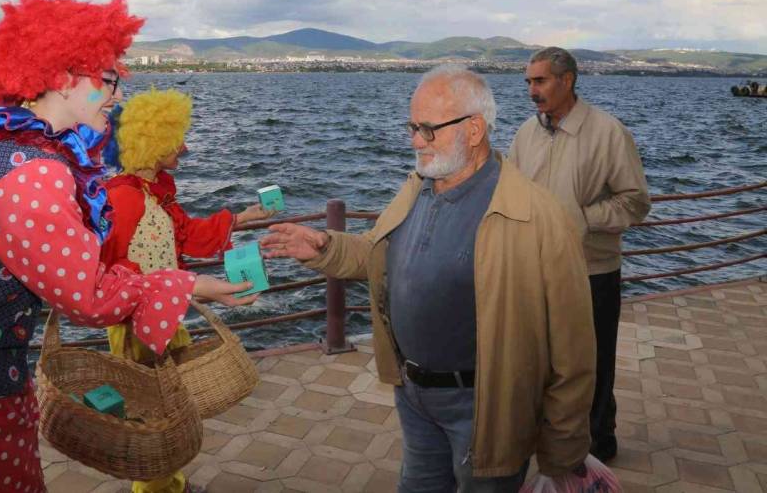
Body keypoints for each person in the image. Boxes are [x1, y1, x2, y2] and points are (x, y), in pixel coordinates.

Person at [0, 0, 256, 493]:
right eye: (109, 79)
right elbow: (90, 299)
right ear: (61, 77)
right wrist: (192, 286)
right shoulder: (35, 172)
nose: (117, 94)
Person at [261, 66, 596, 493]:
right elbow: (379, 255)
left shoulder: (537, 216)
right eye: (413, 127)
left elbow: (573, 347)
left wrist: (563, 449)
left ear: (474, 130)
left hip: (483, 408)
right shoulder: (417, 187)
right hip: (414, 396)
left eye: (429, 129)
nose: (416, 141)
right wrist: (325, 247)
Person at [99, 87, 270, 493]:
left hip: (162, 314)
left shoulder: (151, 191)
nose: (184, 147)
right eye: (175, 140)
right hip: (135, 322)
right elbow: (106, 268)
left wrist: (239, 218)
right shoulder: (123, 199)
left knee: (166, 405)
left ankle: (167, 482)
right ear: (152, 144)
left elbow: (186, 235)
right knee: (151, 410)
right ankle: (156, 488)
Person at [509, 46, 651, 463]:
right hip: (535, 272)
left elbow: (635, 202)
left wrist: (582, 218)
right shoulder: (525, 134)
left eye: (540, 81)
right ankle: (548, 444)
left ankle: (597, 449)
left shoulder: (609, 132)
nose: (532, 91)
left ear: (567, 80)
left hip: (592, 272)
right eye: (528, 82)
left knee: (591, 366)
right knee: (540, 365)